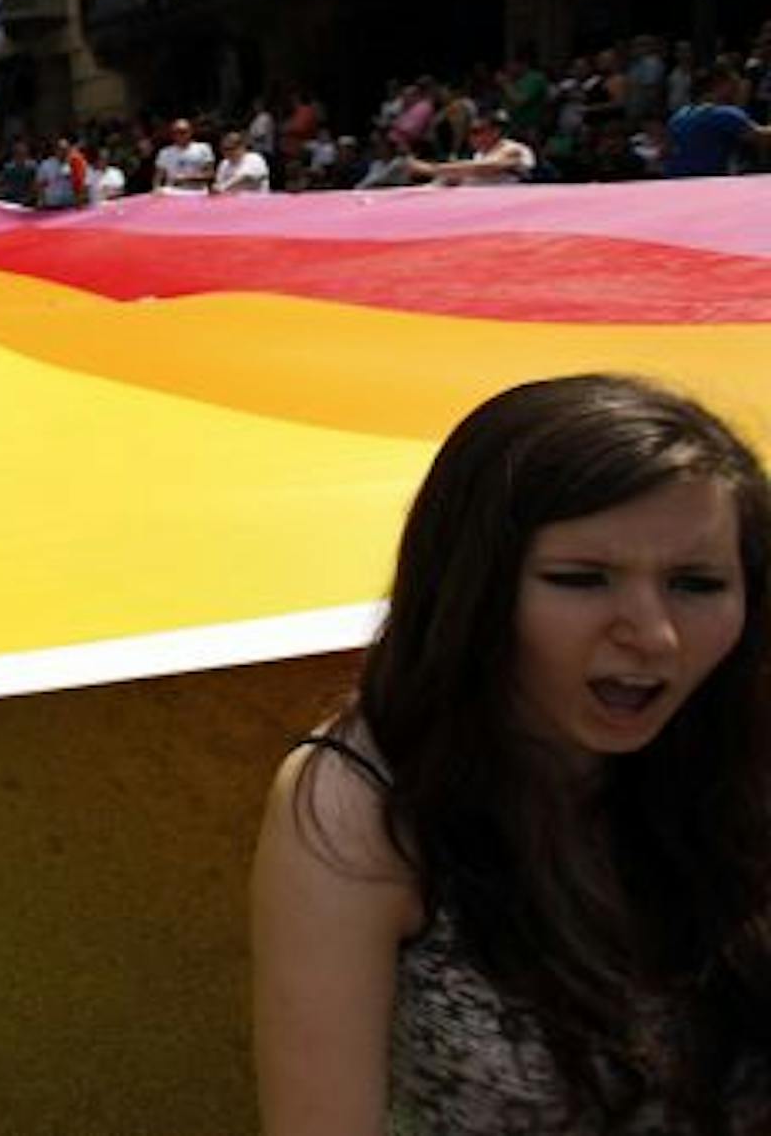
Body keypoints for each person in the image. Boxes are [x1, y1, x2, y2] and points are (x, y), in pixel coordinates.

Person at [252, 375, 771, 1134]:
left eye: (696, 584)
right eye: (581, 579)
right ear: (474, 590)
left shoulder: (744, 742)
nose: (654, 633)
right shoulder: (360, 800)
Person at [664, 59, 771, 177]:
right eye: (735, 84)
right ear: (722, 85)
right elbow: (762, 138)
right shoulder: (724, 114)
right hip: (709, 186)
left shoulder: (679, 114)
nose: (739, 89)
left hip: (678, 184)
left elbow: (667, 151)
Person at [410, 109, 535, 186]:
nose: (472, 137)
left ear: (495, 131)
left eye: (477, 131)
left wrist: (432, 169)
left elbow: (483, 168)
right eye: (470, 132)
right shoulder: (478, 155)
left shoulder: (513, 150)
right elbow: (462, 175)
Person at [153, 118, 214, 192]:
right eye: (175, 132)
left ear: (191, 132)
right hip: (172, 191)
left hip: (197, 190)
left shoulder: (203, 148)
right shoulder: (165, 152)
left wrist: (188, 178)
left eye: (183, 132)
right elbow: (158, 176)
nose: (179, 135)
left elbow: (210, 174)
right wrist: (156, 189)